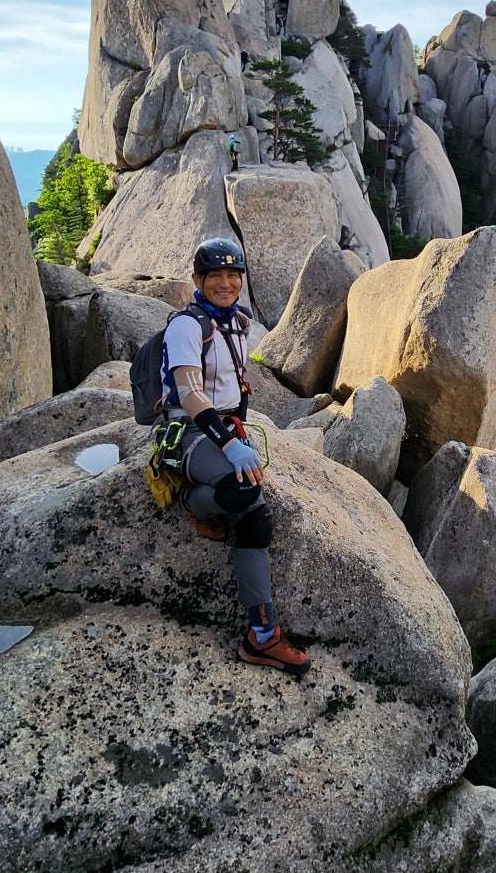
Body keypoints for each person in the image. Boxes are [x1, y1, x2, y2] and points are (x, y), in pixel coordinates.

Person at [160, 237, 311, 675]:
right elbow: (188, 393)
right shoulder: (186, 327)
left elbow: (238, 386)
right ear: (197, 281)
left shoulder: (237, 323)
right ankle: (192, 502)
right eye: (215, 276)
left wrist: (237, 431)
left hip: (223, 428)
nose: (225, 284)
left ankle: (261, 636)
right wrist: (228, 444)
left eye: (233, 275)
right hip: (186, 431)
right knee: (238, 488)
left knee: (257, 518)